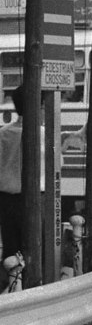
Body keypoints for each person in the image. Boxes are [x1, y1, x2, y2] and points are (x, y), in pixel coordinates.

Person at [0, 111, 23, 263]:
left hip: (6, 194)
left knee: (10, 244)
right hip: (33, 196)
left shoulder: (3, 133)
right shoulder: (43, 133)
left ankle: (11, 280)